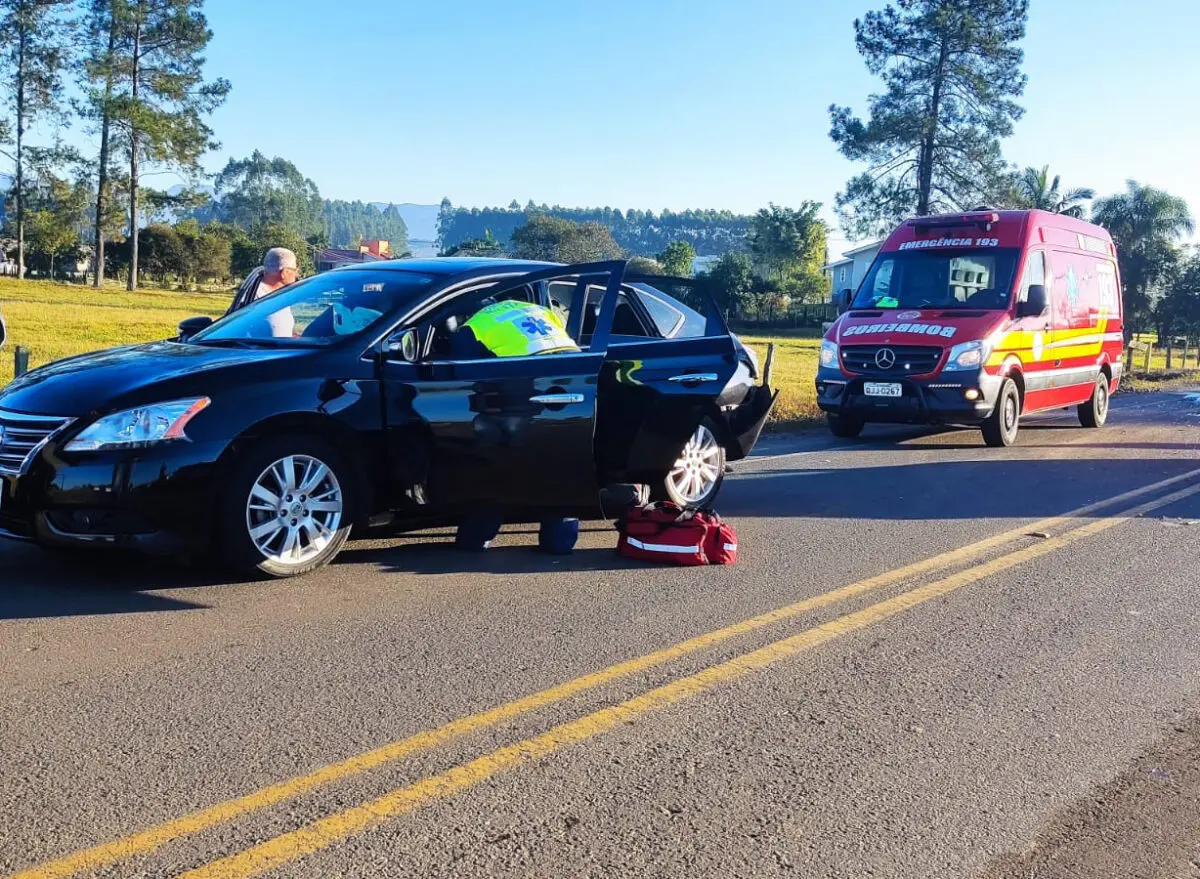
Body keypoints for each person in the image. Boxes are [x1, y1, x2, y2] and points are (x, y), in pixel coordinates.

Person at [451, 299, 579, 359]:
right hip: (575, 359)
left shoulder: (473, 327)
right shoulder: (538, 308)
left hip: (532, 368)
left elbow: (462, 370)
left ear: (465, 315)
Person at [254, 248, 300, 338]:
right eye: (295, 270)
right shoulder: (256, 297)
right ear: (284, 273)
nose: (296, 275)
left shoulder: (277, 295)